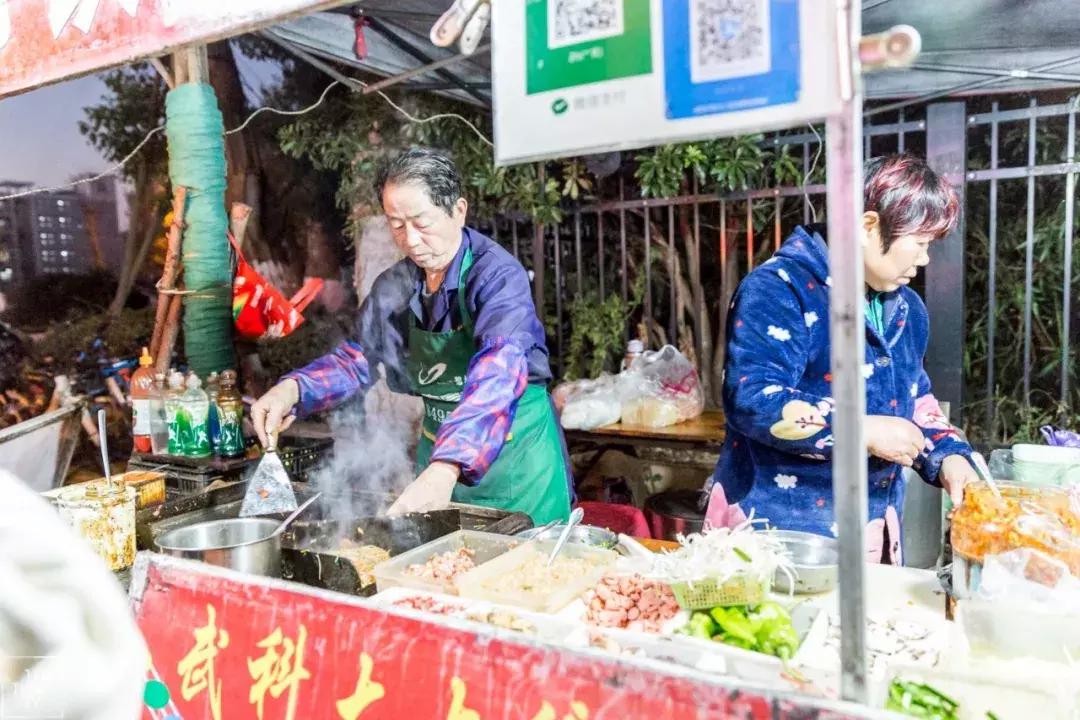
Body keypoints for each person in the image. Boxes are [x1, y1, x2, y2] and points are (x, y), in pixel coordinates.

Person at [252, 148, 572, 524]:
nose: (411, 240)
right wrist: (293, 390)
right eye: (397, 225)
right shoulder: (397, 285)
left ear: (458, 210)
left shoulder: (497, 277)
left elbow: (499, 367)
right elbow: (358, 359)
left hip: (517, 467)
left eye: (421, 222)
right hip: (438, 463)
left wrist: (448, 466)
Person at [706, 153, 979, 564]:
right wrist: (860, 429)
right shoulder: (779, 289)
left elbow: (916, 397)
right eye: (919, 244)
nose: (924, 259)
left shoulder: (909, 308)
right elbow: (751, 399)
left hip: (873, 530)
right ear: (869, 226)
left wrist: (949, 456)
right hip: (778, 534)